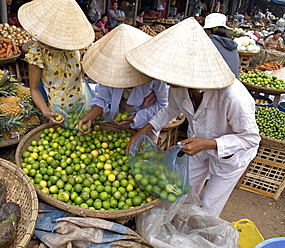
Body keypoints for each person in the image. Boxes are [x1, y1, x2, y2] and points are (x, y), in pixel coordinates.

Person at [125, 18, 260, 216]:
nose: (168, 82)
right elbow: (170, 110)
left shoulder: (233, 97)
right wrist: (144, 131)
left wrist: (208, 144)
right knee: (183, 191)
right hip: (197, 148)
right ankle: (178, 230)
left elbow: (250, 138)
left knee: (209, 206)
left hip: (230, 156)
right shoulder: (178, 86)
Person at [79, 24, 169, 142]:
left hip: (147, 124)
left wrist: (137, 117)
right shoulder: (109, 72)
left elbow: (163, 106)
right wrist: (89, 117)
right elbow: (103, 99)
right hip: (117, 123)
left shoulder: (154, 76)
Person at [18, 0, 95, 123]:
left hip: (83, 103)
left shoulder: (74, 43)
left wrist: (83, 66)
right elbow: (34, 89)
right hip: (58, 111)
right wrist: (45, 111)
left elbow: (79, 62)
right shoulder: (38, 52)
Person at [203, 13, 240, 79]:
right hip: (235, 85)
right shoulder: (231, 44)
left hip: (219, 85)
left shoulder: (209, 43)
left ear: (208, 30)